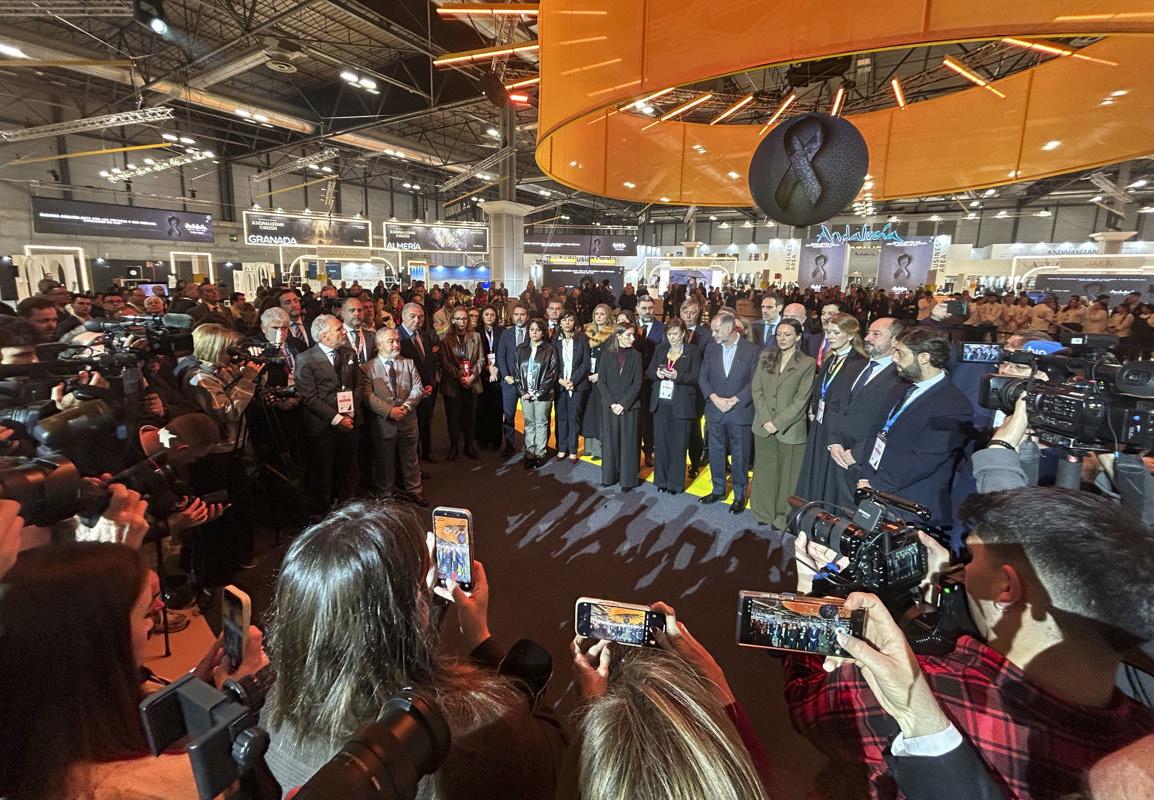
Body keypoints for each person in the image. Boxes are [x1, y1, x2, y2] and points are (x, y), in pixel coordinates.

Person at [786, 487, 1154, 800]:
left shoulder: (916, 692)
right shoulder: (1140, 740)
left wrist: (811, 595)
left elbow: (807, 700)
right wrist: (936, 588)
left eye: (971, 557)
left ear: (1006, 587)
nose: (961, 571)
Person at [260, 499, 566, 797]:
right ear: (417, 609)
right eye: (421, 588)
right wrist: (481, 640)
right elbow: (550, 747)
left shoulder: (271, 711)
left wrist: (414, 598)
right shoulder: (477, 729)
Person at [0, 541, 265, 800]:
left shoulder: (45, 722)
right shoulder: (136, 789)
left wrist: (202, 683)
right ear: (99, 644)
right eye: (145, 615)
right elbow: (215, 781)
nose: (155, 616)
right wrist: (235, 699)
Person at [849, 327, 972, 527]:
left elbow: (926, 459)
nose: (894, 358)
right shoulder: (900, 388)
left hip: (909, 505)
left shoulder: (954, 405)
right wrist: (867, 476)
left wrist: (876, 484)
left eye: (900, 353)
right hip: (875, 491)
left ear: (924, 357)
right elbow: (877, 432)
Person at [823, 318, 909, 510]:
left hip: (865, 463)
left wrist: (857, 453)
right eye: (869, 332)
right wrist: (834, 441)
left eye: (876, 334)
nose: (868, 338)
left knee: (856, 515)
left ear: (895, 340)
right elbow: (835, 404)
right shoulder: (854, 366)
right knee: (833, 510)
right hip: (836, 453)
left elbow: (892, 425)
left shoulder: (901, 378)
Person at [750, 318, 817, 527]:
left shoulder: (807, 363)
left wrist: (777, 423)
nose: (782, 338)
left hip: (790, 429)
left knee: (788, 476)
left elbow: (801, 400)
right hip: (763, 426)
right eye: (779, 334)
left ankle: (781, 517)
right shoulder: (765, 356)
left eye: (787, 334)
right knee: (765, 471)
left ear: (798, 337)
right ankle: (763, 513)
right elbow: (757, 390)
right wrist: (766, 420)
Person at [795, 313, 867, 506]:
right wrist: (813, 407)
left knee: (831, 478)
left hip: (837, 429)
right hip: (820, 424)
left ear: (850, 335)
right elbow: (820, 388)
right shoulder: (830, 358)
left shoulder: (860, 363)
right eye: (828, 332)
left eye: (836, 332)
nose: (830, 336)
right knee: (815, 472)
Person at [698, 310, 763, 514]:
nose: (713, 335)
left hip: (740, 411)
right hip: (715, 410)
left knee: (740, 455)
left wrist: (735, 400)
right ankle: (718, 489)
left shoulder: (752, 351)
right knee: (715, 452)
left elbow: (755, 381)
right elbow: (703, 377)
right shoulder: (711, 349)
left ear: (729, 328)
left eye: (716, 331)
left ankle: (739, 495)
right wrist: (715, 398)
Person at [295, 313, 361, 515]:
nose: (344, 332)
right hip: (322, 427)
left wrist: (350, 414)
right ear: (324, 336)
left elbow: (358, 386)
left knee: (349, 470)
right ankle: (323, 515)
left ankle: (348, 510)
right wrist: (337, 419)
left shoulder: (349, 353)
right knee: (323, 474)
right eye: (339, 329)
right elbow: (309, 397)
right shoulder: (305, 359)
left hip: (350, 423)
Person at [361, 328, 426, 506]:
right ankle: (387, 495)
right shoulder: (367, 368)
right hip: (383, 423)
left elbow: (418, 388)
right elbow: (367, 395)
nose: (396, 344)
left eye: (397, 340)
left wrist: (405, 407)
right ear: (379, 344)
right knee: (384, 462)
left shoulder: (408, 363)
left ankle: (414, 491)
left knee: (410, 459)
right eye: (391, 341)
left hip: (408, 420)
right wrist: (389, 411)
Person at [646, 318, 702, 493]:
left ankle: (675, 484)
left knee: (679, 445)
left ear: (683, 333)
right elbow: (649, 372)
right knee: (661, 444)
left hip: (682, 404)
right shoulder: (660, 349)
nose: (672, 337)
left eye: (676, 334)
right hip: (661, 404)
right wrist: (657, 373)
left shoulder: (693, 351)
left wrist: (678, 376)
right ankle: (661, 481)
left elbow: (697, 377)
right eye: (669, 334)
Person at [597, 321, 643, 491]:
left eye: (633, 335)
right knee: (610, 442)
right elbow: (601, 382)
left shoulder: (636, 356)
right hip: (609, 406)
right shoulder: (606, 355)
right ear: (618, 336)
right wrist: (612, 403)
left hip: (630, 407)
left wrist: (623, 404)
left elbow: (637, 384)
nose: (632, 338)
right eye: (628, 335)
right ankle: (609, 476)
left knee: (629, 444)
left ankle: (628, 480)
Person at [398, 302, 440, 462]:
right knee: (410, 429)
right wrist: (416, 388)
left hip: (427, 388)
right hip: (408, 392)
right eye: (413, 316)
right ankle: (414, 460)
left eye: (420, 317)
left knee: (426, 422)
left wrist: (430, 384)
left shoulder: (424, 335)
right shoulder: (396, 337)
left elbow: (429, 362)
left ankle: (427, 452)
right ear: (403, 316)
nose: (417, 320)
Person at [516, 318, 559, 469]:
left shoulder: (550, 349)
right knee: (529, 424)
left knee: (541, 423)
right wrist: (523, 391)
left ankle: (540, 453)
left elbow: (552, 373)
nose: (534, 332)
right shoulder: (521, 349)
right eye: (532, 329)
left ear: (543, 332)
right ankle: (529, 453)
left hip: (543, 395)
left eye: (538, 330)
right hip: (526, 394)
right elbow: (516, 371)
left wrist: (539, 392)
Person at [441, 306, 483, 461]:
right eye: (458, 318)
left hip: (472, 382)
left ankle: (469, 445)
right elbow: (445, 363)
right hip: (453, 383)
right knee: (453, 417)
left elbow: (481, 360)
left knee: (470, 417)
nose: (462, 321)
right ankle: (454, 446)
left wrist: (471, 377)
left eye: (464, 318)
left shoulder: (476, 336)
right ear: (452, 320)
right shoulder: (446, 339)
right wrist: (460, 376)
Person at [554, 310, 591, 462]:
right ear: (560, 323)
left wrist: (573, 381)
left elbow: (586, 363)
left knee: (574, 417)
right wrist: (561, 380)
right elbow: (552, 363)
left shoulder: (582, 338)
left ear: (574, 322)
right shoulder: (555, 339)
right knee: (561, 417)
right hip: (560, 384)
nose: (567, 323)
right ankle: (562, 448)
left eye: (570, 320)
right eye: (564, 320)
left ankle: (573, 450)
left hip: (578, 385)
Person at [582, 303, 615, 462]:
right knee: (588, 413)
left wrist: (600, 375)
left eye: (602, 314)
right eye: (597, 314)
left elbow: (613, 361)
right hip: (587, 378)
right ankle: (588, 447)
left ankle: (598, 449)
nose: (599, 316)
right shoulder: (587, 332)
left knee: (599, 414)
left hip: (602, 379)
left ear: (608, 316)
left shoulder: (612, 334)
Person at [497, 303, 531, 457]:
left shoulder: (533, 332)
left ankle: (529, 447)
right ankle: (509, 446)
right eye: (516, 314)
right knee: (509, 415)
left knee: (529, 418)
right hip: (509, 383)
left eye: (522, 314)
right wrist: (505, 375)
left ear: (527, 316)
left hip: (527, 383)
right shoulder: (506, 334)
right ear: (512, 316)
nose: (519, 317)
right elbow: (500, 357)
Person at [476, 305, 505, 450]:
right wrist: (487, 368)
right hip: (481, 373)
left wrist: (496, 367)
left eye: (492, 315)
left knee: (497, 408)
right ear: (482, 316)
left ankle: (496, 440)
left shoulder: (501, 331)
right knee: (482, 408)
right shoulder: (476, 332)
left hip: (498, 373)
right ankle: (482, 440)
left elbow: (504, 351)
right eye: (486, 314)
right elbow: (475, 354)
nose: (489, 317)